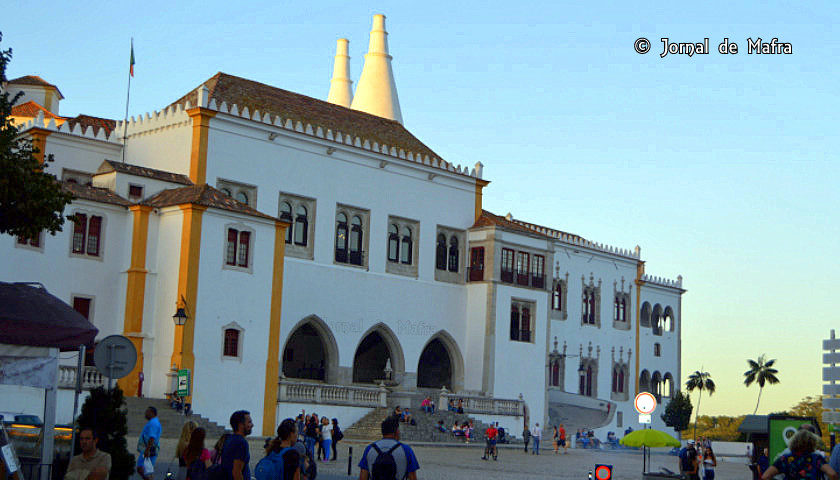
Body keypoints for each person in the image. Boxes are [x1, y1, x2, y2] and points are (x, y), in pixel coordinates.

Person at [762, 429, 838, 480]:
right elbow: (832, 474)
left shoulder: (784, 459)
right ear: (812, 443)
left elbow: (766, 476)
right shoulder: (816, 458)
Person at [222, 410, 253, 480]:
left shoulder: (229, 439)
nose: (252, 425)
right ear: (240, 425)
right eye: (249, 422)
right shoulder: (241, 443)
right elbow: (236, 472)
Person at [136, 406, 161, 480]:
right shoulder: (153, 422)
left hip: (149, 450)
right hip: (148, 449)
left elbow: (152, 437)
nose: (145, 414)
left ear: (152, 413)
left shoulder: (153, 423)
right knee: (146, 470)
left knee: (143, 469)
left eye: (147, 412)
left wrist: (147, 450)